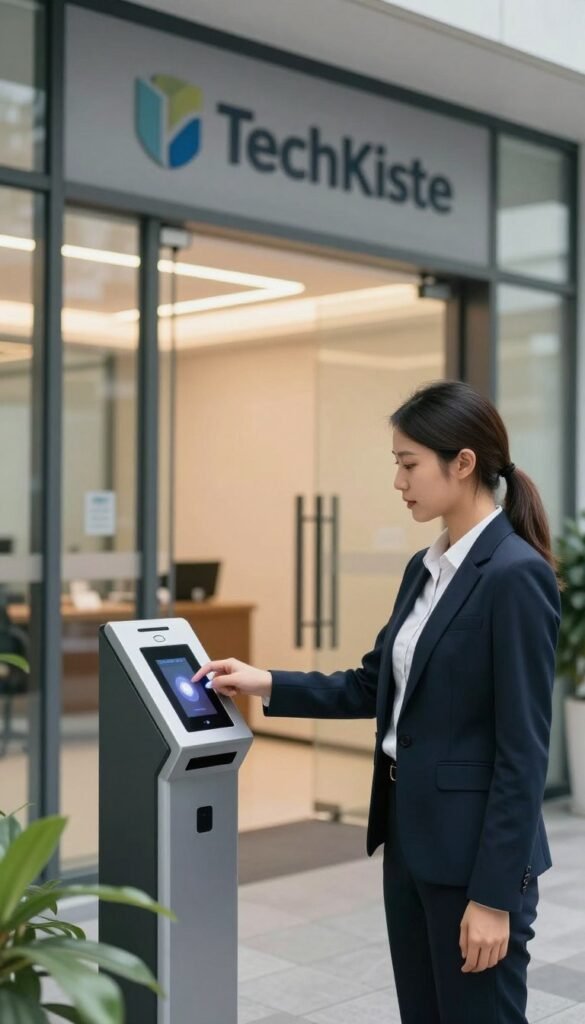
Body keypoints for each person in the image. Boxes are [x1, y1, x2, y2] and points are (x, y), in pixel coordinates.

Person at [192, 380, 561, 1024]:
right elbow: (373, 686)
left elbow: (522, 752)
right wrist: (265, 682)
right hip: (410, 841)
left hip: (474, 858)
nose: (399, 481)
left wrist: (494, 898)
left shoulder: (514, 575)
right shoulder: (425, 566)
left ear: (464, 463)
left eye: (408, 463)